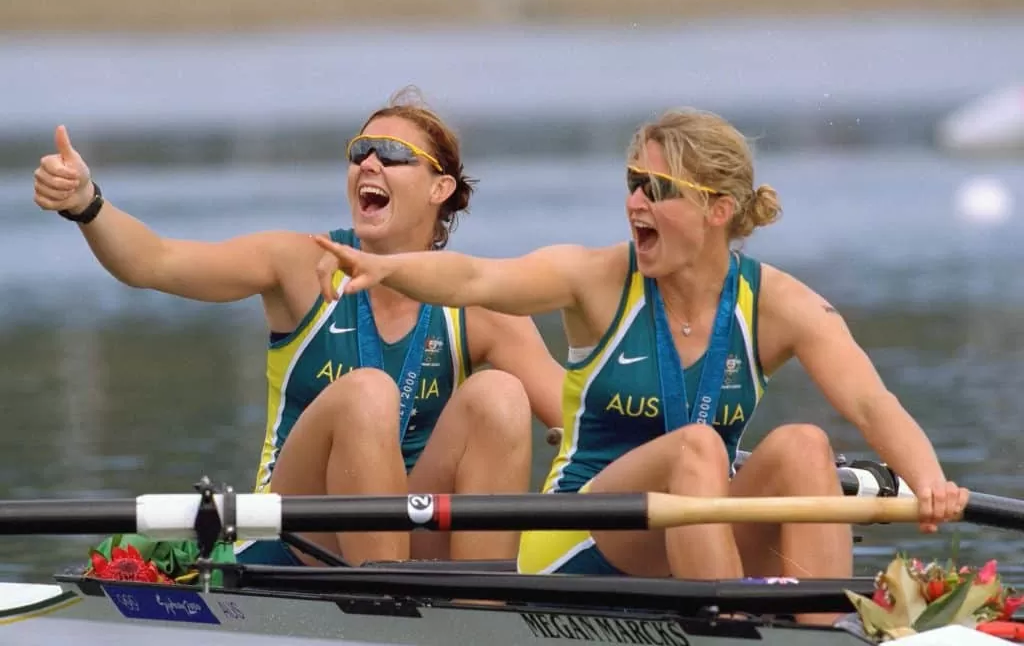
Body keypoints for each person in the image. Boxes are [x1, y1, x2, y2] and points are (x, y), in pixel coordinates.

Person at [311, 107, 969, 620]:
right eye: (631, 184)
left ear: (718, 210)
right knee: (698, 451)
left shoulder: (779, 304)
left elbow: (870, 403)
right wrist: (386, 266)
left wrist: (930, 480)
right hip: (576, 540)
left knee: (805, 447)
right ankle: (734, 621)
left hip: (695, 528)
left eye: (656, 189)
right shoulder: (597, 280)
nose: (634, 204)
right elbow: (479, 279)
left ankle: (819, 623)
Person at [31, 88, 565, 568]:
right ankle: (386, 604)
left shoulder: (476, 304)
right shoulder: (296, 266)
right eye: (360, 152)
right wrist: (87, 204)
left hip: (413, 531)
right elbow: (155, 262)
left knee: (500, 395)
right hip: (295, 531)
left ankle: (484, 603)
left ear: (439, 188)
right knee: (366, 394)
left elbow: (586, 425)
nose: (370, 163)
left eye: (394, 155)